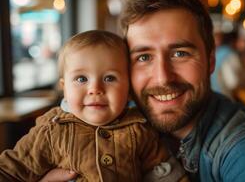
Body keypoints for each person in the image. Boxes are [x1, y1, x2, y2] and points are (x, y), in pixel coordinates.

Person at [41, 0, 245, 181]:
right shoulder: (101, 116)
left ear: (211, 60)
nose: (163, 77)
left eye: (180, 53)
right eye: (144, 57)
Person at [0, 30, 189, 182]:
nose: (95, 89)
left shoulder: (140, 128)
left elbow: (165, 173)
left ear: (128, 88)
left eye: (109, 78)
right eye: (81, 79)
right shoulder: (51, 131)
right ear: (64, 88)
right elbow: (10, 171)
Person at [211, 30, 242, 99]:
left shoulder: (216, 54)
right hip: (223, 98)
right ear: (234, 41)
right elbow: (232, 83)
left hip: (212, 97)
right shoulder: (230, 55)